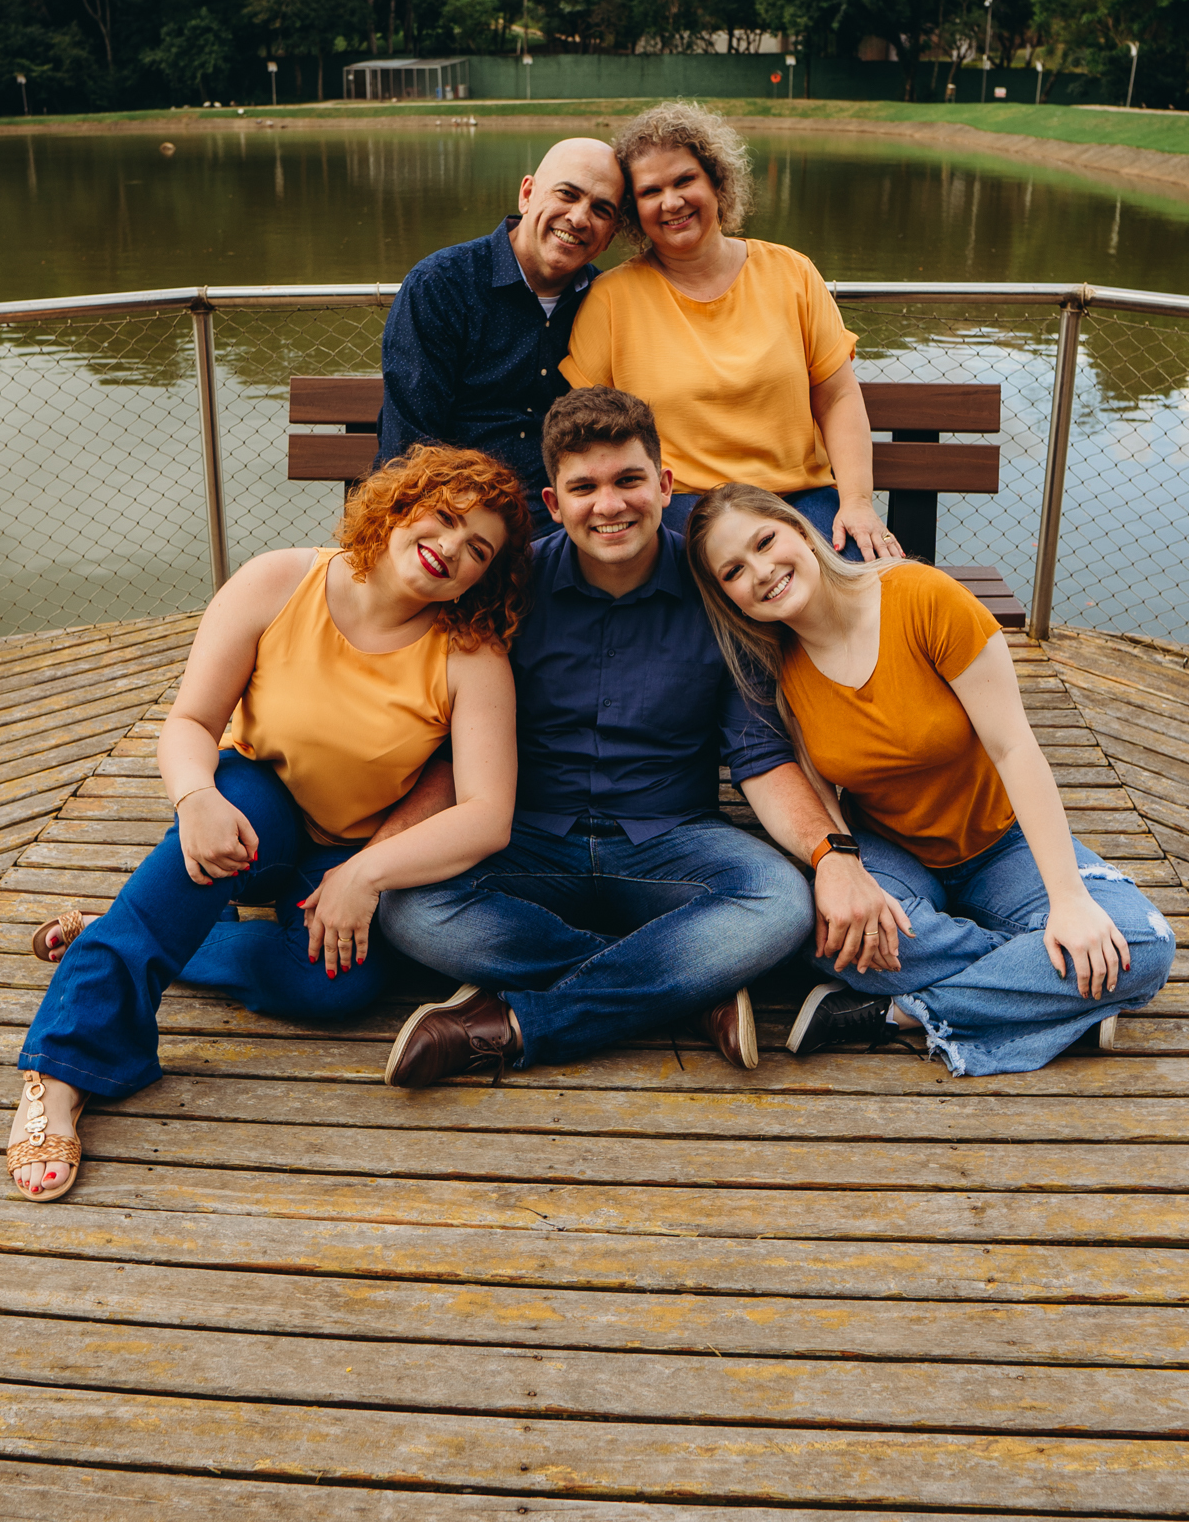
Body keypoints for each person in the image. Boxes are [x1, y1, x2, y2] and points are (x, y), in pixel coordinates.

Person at [8, 444, 530, 1201]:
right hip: (254, 804)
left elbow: (487, 815)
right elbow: (191, 720)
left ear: (486, 574)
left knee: (330, 989)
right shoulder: (280, 580)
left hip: (352, 845)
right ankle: (58, 1071)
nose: (452, 548)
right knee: (207, 852)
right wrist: (196, 797)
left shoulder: (471, 657)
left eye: (478, 549)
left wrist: (364, 874)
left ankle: (111, 928)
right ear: (399, 504)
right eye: (444, 517)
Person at [378, 387, 907, 1088]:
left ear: (663, 485)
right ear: (554, 502)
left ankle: (516, 1023)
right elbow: (451, 745)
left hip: (671, 843)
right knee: (408, 907)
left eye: (628, 480)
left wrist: (832, 854)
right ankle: (689, 982)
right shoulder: (510, 585)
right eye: (584, 488)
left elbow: (758, 754)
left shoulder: (718, 587)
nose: (609, 505)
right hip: (525, 839)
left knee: (780, 903)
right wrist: (376, 856)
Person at [686, 481, 1175, 1075]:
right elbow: (819, 788)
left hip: (1000, 842)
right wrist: (846, 870)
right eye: (734, 571)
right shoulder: (773, 665)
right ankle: (1056, 993)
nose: (762, 571)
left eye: (765, 542)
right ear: (728, 598)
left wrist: (1070, 902)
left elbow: (1015, 748)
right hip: (891, 850)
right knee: (832, 933)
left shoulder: (921, 597)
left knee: (1144, 943)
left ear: (802, 533)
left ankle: (900, 1012)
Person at [559, 101, 903, 563]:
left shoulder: (792, 273)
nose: (671, 202)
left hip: (800, 499)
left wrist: (857, 503)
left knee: (862, 584)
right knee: (727, 588)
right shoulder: (610, 299)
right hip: (682, 507)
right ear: (633, 210)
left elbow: (838, 397)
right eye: (650, 191)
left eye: (685, 180)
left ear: (717, 183)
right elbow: (585, 428)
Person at [377, 137, 625, 531]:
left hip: (568, 528)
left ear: (610, 235)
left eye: (601, 210)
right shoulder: (441, 285)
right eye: (567, 194)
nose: (579, 218)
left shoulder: (607, 302)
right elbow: (411, 447)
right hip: (452, 517)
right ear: (527, 194)